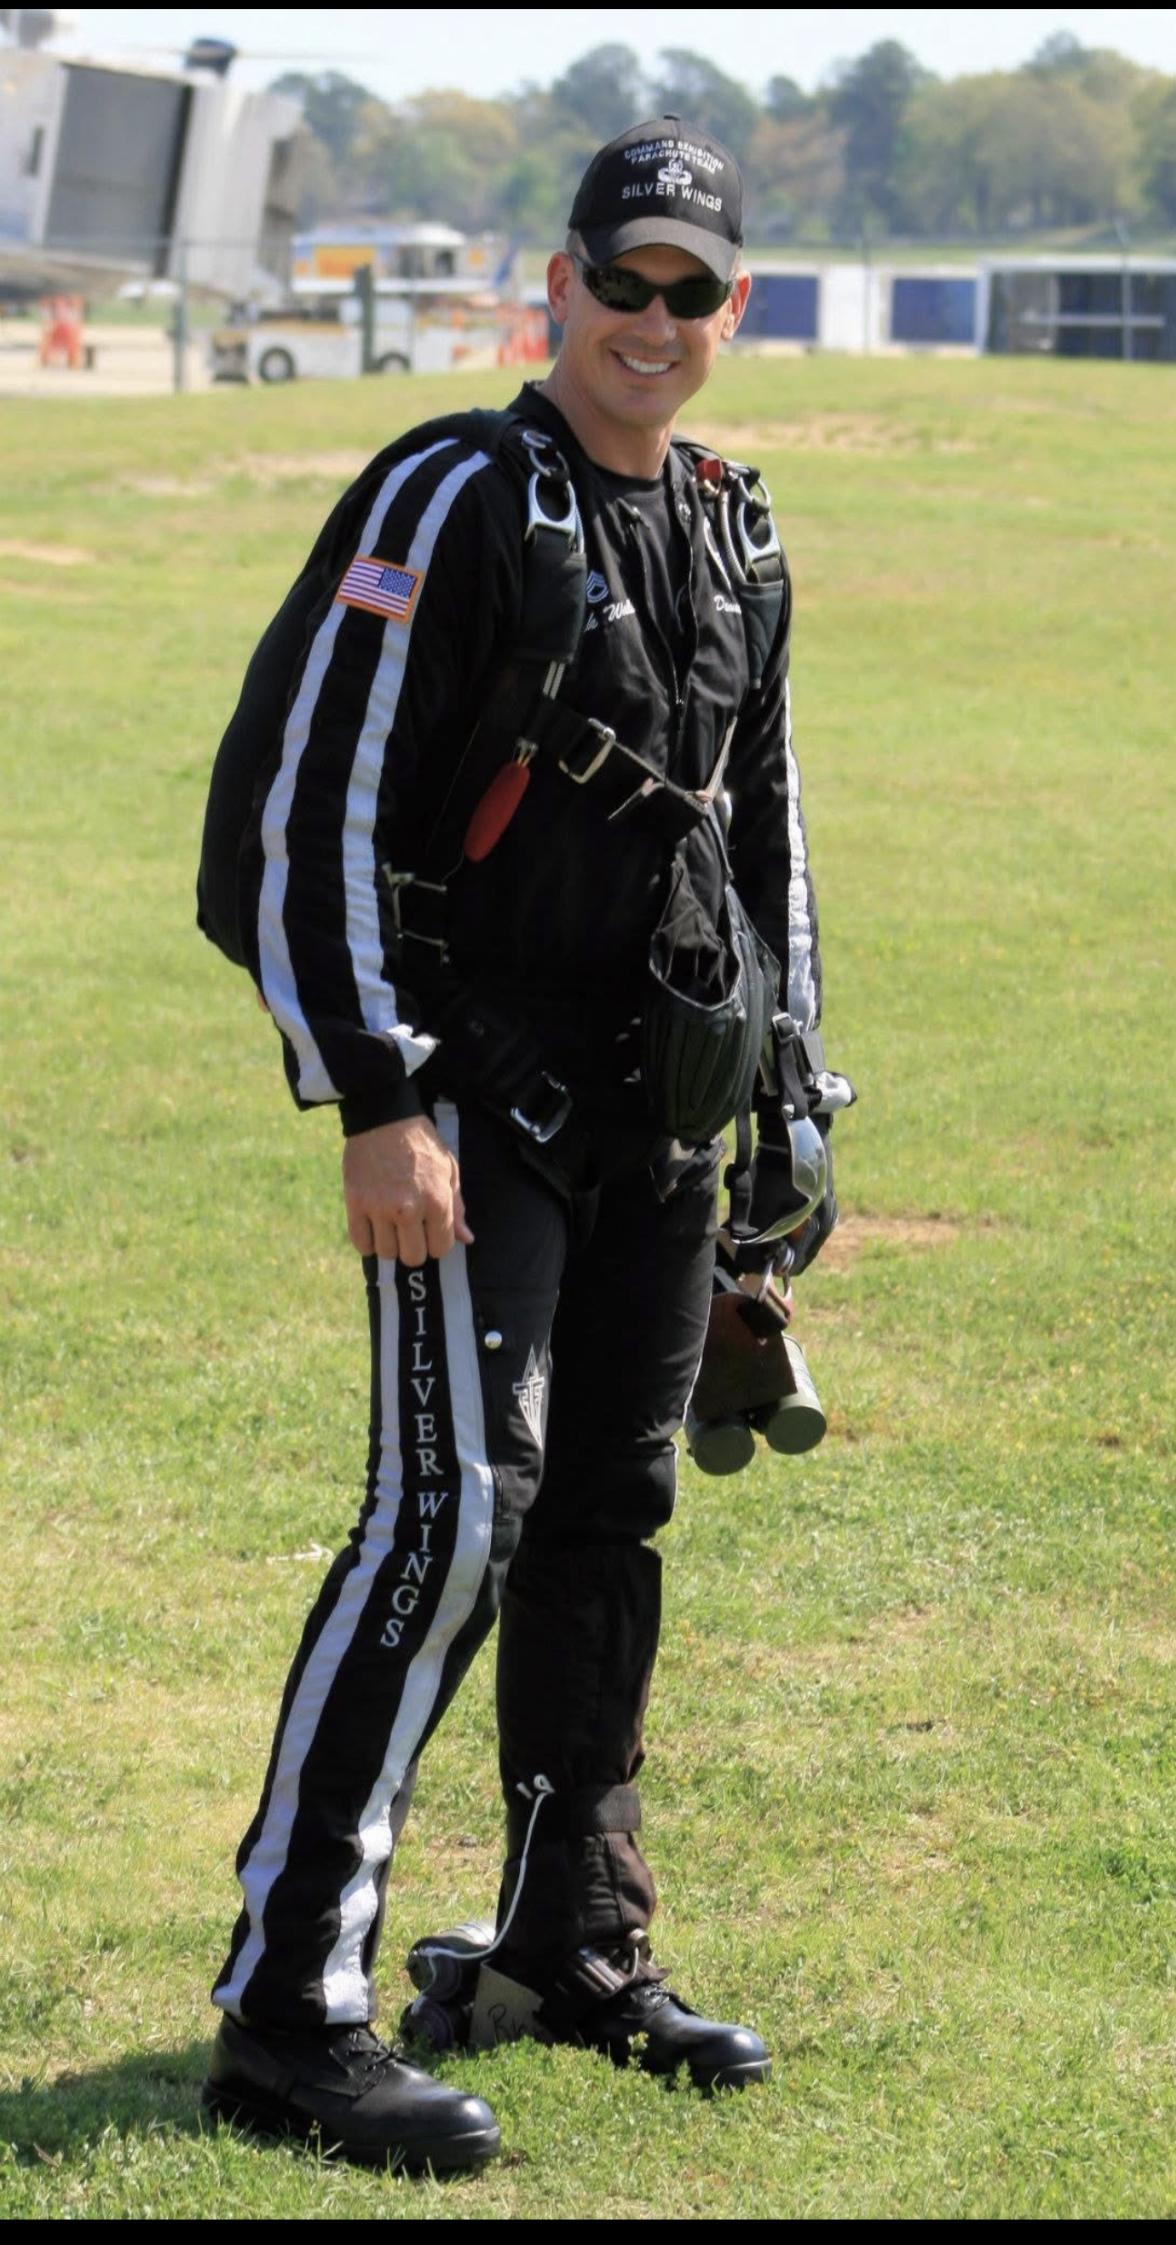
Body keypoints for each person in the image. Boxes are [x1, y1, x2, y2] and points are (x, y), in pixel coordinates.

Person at [200, 115, 837, 2175]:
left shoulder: (739, 535)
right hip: (471, 1106)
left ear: (728, 312)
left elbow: (764, 846)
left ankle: (571, 1945)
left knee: (608, 1522)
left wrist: (787, 1111)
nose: (652, 323)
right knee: (452, 1517)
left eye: (692, 294)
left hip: (665, 1121)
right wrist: (379, 1094)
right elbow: (297, 816)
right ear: (553, 285)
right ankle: (290, 2008)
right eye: (621, 283)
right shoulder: (453, 495)